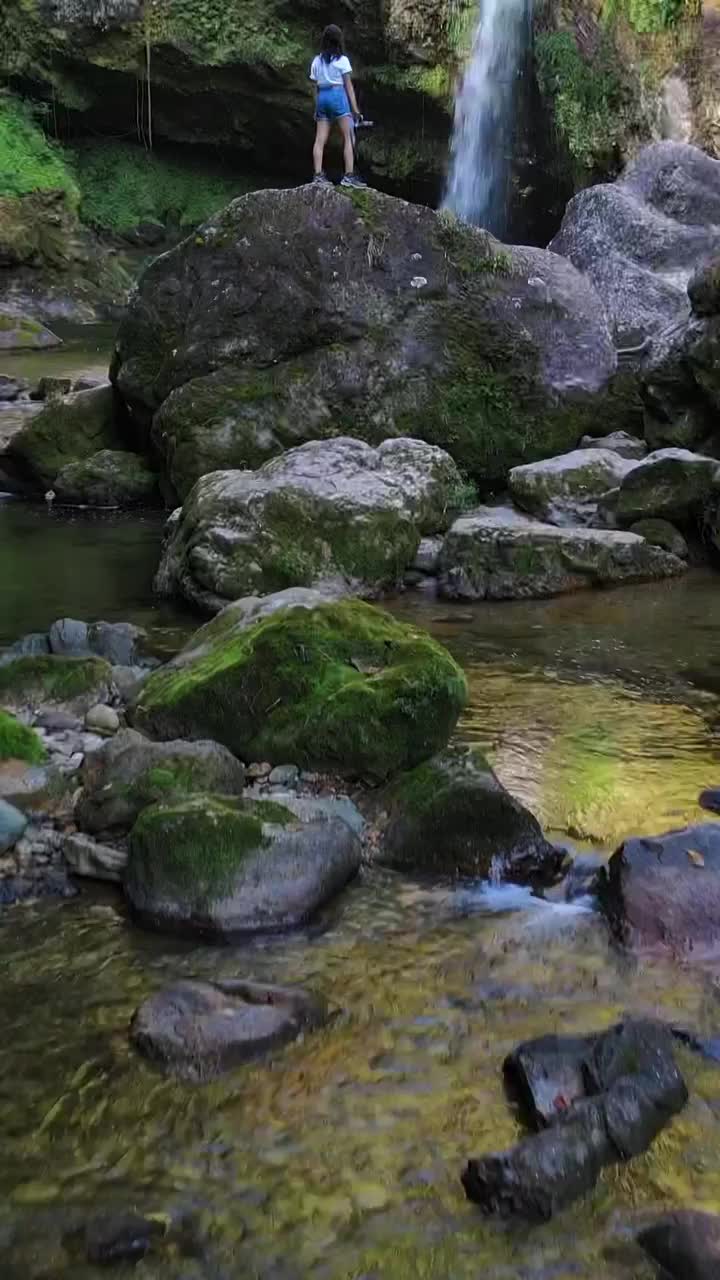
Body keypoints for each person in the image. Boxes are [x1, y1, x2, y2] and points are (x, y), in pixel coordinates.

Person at [309, 25, 367, 188]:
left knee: (320, 140)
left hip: (322, 97)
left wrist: (316, 106)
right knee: (348, 137)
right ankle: (349, 176)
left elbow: (314, 86)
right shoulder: (342, 60)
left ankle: (318, 175)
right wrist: (355, 110)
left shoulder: (317, 60)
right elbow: (348, 86)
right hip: (337, 95)